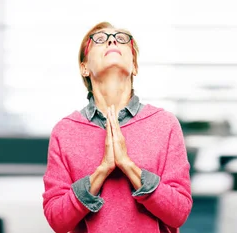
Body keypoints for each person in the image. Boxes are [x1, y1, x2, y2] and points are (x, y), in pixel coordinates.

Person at [42, 22, 192, 233]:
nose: (112, 40)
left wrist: (128, 166)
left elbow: (179, 213)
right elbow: (57, 220)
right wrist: (102, 170)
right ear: (84, 68)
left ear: (135, 66)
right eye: (100, 39)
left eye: (122, 39)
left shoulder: (164, 123)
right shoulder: (65, 131)